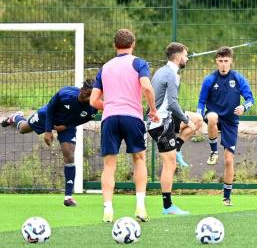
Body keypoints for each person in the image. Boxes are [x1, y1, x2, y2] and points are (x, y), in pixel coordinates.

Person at [89, 28, 158, 223]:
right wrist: (152, 109)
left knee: (109, 165)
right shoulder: (138, 63)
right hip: (132, 117)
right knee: (139, 159)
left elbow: (93, 101)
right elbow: (146, 86)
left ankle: (108, 209)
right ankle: (140, 206)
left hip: (110, 118)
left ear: (114, 46)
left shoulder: (105, 67)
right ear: (133, 44)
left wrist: (110, 105)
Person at [2, 79, 98, 207]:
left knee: (69, 156)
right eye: (87, 94)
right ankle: (16, 117)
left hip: (66, 126)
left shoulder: (92, 107)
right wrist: (48, 131)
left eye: (92, 96)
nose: (88, 99)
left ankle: (68, 197)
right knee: (23, 129)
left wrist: (66, 125)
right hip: (47, 116)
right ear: (82, 90)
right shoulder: (65, 93)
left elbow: (83, 119)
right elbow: (50, 109)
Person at [147, 42, 203, 215]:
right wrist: (186, 120)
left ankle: (177, 147)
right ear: (178, 57)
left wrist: (190, 120)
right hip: (160, 124)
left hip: (166, 119)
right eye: (186, 55)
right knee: (169, 164)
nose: (187, 58)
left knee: (198, 119)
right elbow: (172, 103)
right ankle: (168, 206)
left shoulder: (162, 71)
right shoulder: (172, 75)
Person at [197, 46, 254, 206]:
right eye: (220, 61)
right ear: (216, 61)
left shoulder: (238, 78)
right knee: (213, 117)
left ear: (231, 61)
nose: (223, 64)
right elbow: (201, 101)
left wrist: (244, 107)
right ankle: (213, 151)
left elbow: (250, 99)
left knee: (229, 160)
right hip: (214, 116)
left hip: (230, 122)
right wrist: (200, 114)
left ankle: (226, 197)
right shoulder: (209, 80)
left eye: (226, 61)